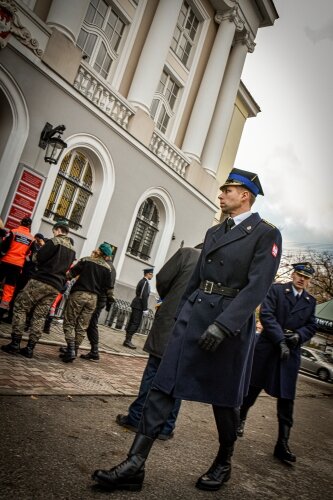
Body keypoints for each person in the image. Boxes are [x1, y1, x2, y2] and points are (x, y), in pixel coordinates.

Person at [91, 167, 282, 493]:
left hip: (228, 326)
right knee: (163, 387)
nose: (221, 195)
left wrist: (224, 325)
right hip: (193, 319)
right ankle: (134, 465)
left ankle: (223, 461)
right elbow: (195, 281)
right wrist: (180, 315)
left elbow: (257, 287)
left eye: (227, 190)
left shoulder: (265, 233)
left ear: (245, 195)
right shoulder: (214, 232)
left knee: (224, 401)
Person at [116, 244, 202, 440]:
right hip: (193, 329)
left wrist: (169, 298)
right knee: (178, 380)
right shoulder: (222, 265)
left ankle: (137, 417)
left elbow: (163, 279)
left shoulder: (188, 253)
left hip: (171, 322)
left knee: (153, 371)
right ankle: (165, 427)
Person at [237, 262, 317, 464]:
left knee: (287, 399)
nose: (302, 279)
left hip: (290, 353)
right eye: (299, 275)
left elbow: (311, 325)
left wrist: (298, 337)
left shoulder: (311, 300)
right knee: (252, 389)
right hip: (268, 349)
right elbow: (266, 314)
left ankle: (282, 443)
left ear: (309, 280)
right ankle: (240, 419)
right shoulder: (277, 290)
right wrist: (280, 339)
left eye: (306, 278)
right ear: (293, 274)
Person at [1, 219, 75, 358]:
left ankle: (15, 342)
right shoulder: (72, 249)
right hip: (56, 286)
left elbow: (37, 258)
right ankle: (30, 348)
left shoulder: (53, 242)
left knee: (20, 306)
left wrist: (37, 253)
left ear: (58, 229)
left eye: (54, 230)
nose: (53, 233)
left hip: (41, 280)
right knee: (40, 315)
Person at [60, 242, 115, 363]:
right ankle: (74, 349)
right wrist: (110, 300)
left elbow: (70, 274)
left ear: (99, 251)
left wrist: (60, 280)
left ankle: (70, 349)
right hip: (93, 299)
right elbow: (108, 288)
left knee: (69, 322)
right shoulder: (107, 268)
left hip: (79, 294)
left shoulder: (86, 260)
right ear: (106, 255)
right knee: (82, 326)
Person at [80, 247, 116, 361]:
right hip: (100, 298)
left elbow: (107, 286)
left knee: (91, 323)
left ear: (104, 255)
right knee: (89, 322)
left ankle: (94, 351)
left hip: (98, 298)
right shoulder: (109, 266)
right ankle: (85, 349)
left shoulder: (107, 266)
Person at [3, 233, 46, 325]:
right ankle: (19, 319)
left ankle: (12, 317)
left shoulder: (37, 250)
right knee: (22, 298)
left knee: (17, 296)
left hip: (26, 276)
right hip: (31, 277)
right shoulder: (39, 250)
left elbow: (30, 260)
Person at [0, 217, 34, 320]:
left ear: (20, 222)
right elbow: (29, 254)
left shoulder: (14, 232)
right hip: (17, 265)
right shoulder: (32, 239)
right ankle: (1, 313)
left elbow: (4, 246)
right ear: (29, 226)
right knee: (9, 288)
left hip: (6, 261)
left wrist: (2, 255)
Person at [123, 268, 154, 349]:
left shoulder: (144, 282)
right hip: (138, 305)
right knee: (135, 323)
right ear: (147, 274)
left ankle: (127, 340)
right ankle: (127, 340)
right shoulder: (144, 282)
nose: (152, 276)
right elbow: (143, 296)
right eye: (151, 274)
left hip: (137, 305)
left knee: (133, 322)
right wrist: (145, 308)